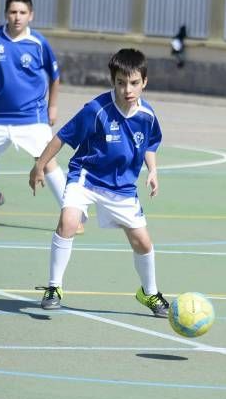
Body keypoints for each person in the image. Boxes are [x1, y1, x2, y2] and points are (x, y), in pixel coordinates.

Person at [29, 48, 169, 317]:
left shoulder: (147, 115)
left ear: (144, 82)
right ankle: (54, 287)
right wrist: (39, 165)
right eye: (120, 82)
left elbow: (150, 143)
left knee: (143, 242)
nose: (127, 89)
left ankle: (149, 293)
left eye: (134, 83)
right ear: (113, 81)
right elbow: (62, 137)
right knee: (68, 222)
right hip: (87, 177)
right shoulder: (97, 110)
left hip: (123, 187)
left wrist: (152, 170)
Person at [0, 0, 68, 218]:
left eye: (22, 12)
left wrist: (53, 106)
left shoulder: (38, 43)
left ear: (31, 15)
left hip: (32, 116)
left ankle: (71, 213)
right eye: (12, 12)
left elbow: (55, 76)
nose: (17, 17)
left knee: (47, 161)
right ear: (5, 15)